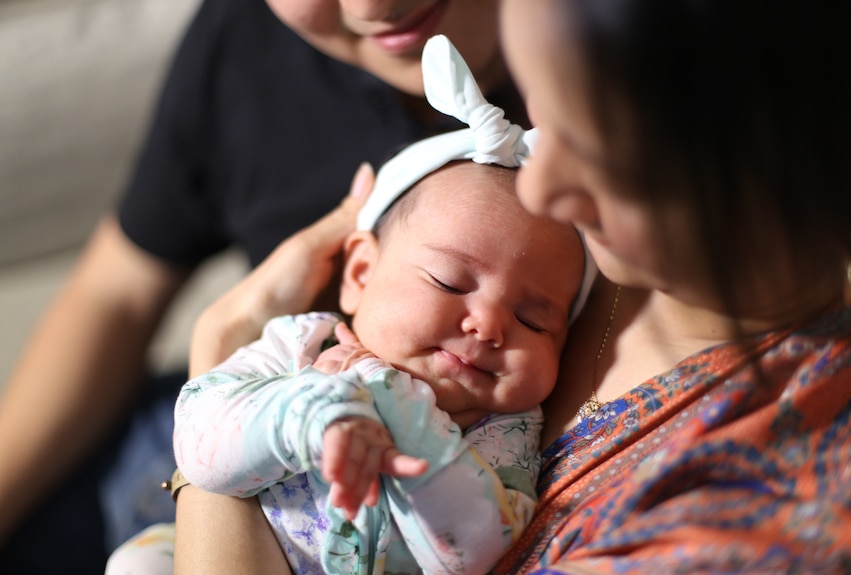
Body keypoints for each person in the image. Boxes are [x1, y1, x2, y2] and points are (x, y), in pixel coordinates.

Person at [175, 0, 851, 573]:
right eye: (540, 111)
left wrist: (220, 351)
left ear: (775, 155)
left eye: (591, 143)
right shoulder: (605, 255)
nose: (537, 188)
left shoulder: (752, 523)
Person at [0, 1, 526, 572]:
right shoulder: (243, 35)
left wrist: (222, 348)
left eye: (535, 316)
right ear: (357, 269)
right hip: (189, 434)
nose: (374, 6)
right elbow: (118, 292)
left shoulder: (601, 123)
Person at [105, 34, 592, 575]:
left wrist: (403, 413)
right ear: (360, 273)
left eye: (535, 320)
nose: (489, 324)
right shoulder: (304, 341)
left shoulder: (506, 429)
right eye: (450, 283)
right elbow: (199, 443)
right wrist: (312, 415)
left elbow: (475, 551)